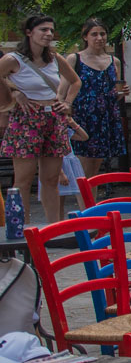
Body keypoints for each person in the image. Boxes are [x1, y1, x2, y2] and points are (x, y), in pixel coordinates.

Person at [0, 14, 79, 226]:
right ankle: (22, 229)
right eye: (43, 30)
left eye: (51, 30)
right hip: (26, 118)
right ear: (29, 32)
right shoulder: (12, 59)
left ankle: (54, 228)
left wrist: (67, 103)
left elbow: (75, 81)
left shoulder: (54, 57)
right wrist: (15, 92)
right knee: (23, 181)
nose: (49, 34)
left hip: (52, 117)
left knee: (51, 179)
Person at [67, 19, 125, 177]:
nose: (99, 38)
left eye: (102, 34)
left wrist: (122, 93)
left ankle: (90, 201)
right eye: (94, 34)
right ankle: (82, 201)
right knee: (81, 170)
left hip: (105, 118)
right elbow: (64, 89)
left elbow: (114, 94)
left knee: (94, 171)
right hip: (82, 118)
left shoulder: (114, 62)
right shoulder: (75, 59)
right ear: (85, 37)